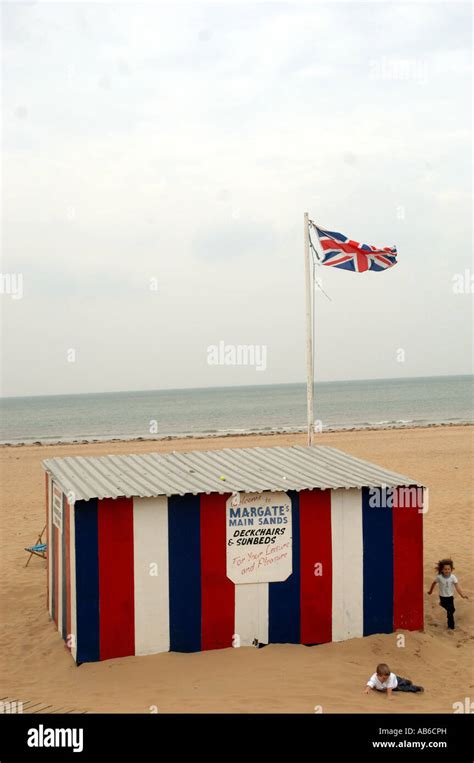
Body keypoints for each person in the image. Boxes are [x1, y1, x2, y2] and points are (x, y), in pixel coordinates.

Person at [427, 558, 469, 630]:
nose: (447, 571)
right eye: (445, 569)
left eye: (448, 569)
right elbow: (433, 583)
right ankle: (451, 626)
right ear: (442, 570)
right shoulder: (439, 577)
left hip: (450, 597)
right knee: (450, 611)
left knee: (452, 610)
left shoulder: (453, 577)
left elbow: (457, 587)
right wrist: (430, 591)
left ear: (451, 569)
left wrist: (462, 595)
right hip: (443, 597)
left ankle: (450, 624)